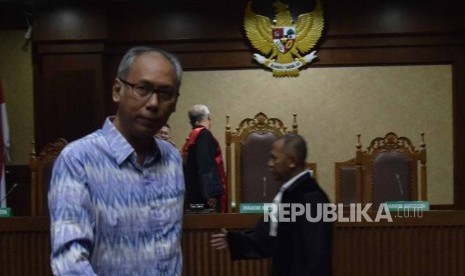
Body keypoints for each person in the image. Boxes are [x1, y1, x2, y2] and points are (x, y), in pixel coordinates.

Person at [48, 46, 185, 275]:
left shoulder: (172, 159)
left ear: (175, 102)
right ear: (117, 90)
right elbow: (69, 261)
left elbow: (171, 251)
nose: (153, 103)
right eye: (142, 89)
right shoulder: (78, 160)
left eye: (165, 94)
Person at [210, 134, 332, 276]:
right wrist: (233, 240)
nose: (269, 163)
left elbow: (316, 257)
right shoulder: (288, 193)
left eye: (274, 158)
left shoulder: (311, 197)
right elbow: (268, 236)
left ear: (292, 160)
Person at [181, 104, 226, 213]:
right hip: (204, 197)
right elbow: (206, 165)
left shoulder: (192, 137)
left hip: (194, 191)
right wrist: (210, 194)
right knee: (209, 227)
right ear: (208, 117)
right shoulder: (204, 135)